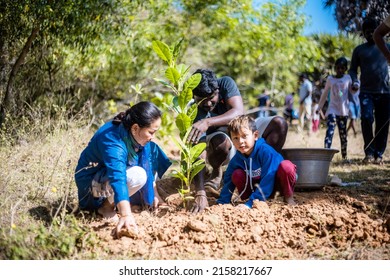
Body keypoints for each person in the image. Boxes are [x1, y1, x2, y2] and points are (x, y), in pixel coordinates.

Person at [187, 69, 288, 213]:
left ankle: (266, 175)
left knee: (279, 124)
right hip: (219, 140)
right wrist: (200, 193)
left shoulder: (225, 83)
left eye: (212, 97)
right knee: (221, 142)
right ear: (193, 96)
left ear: (217, 90)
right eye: (202, 100)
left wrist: (207, 122)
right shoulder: (193, 112)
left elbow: (239, 112)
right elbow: (198, 151)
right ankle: (217, 172)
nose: (208, 104)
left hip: (241, 128)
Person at [74, 101, 171, 238]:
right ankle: (105, 207)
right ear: (135, 128)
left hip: (106, 174)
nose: (152, 136)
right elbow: (117, 177)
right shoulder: (113, 141)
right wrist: (126, 215)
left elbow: (147, 161)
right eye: (151, 132)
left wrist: (155, 194)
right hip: (91, 183)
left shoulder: (132, 133)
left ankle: (120, 201)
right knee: (138, 175)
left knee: (152, 150)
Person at [217, 115, 297, 208]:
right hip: (256, 188)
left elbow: (269, 177)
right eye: (236, 138)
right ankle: (250, 198)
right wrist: (222, 202)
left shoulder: (266, 152)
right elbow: (228, 182)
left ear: (255, 135)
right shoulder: (237, 158)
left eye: (244, 136)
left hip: (276, 186)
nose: (240, 141)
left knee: (286, 167)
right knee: (236, 174)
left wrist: (251, 204)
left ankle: (288, 196)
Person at [349, 18, 390, 165]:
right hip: (366, 92)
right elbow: (353, 70)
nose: (370, 34)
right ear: (363, 33)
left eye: (373, 31)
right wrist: (354, 81)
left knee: (383, 123)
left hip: (385, 92)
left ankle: (379, 154)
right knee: (366, 119)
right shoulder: (359, 50)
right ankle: (369, 152)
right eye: (367, 32)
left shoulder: (388, 47)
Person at [317, 57, 359, 162]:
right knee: (329, 132)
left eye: (342, 68)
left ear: (345, 69)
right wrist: (319, 108)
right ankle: (326, 156)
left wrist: (355, 87)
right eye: (338, 68)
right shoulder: (330, 79)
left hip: (343, 111)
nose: (340, 70)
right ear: (335, 68)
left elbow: (352, 92)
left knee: (343, 134)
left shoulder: (348, 78)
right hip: (332, 110)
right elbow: (324, 94)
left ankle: (344, 156)